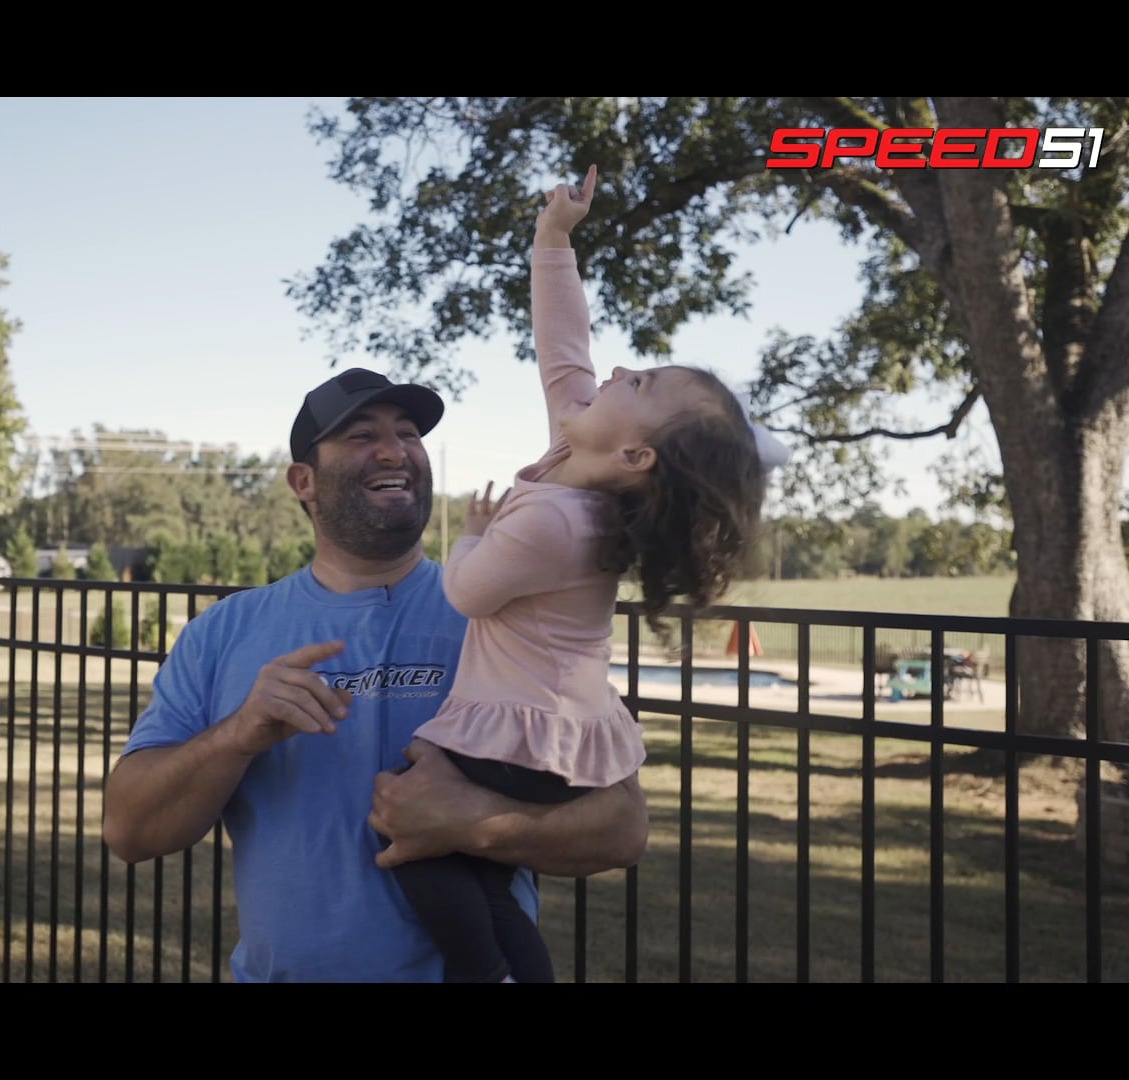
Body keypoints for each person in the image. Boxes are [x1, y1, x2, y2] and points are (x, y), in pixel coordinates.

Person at [101, 364, 651, 983]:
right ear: (303, 481)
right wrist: (239, 734)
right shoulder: (224, 633)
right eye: (361, 435)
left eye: (408, 432)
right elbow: (130, 830)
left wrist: (475, 823)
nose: (395, 450)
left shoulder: (506, 616)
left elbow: (623, 827)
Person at [385, 164, 789, 983]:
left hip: (510, 728)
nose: (614, 372)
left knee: (415, 836)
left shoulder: (549, 519)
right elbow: (564, 352)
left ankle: (483, 972)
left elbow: (466, 592)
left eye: (635, 383)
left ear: (635, 454)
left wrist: (471, 534)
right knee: (479, 872)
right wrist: (553, 240)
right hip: (557, 727)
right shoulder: (582, 467)